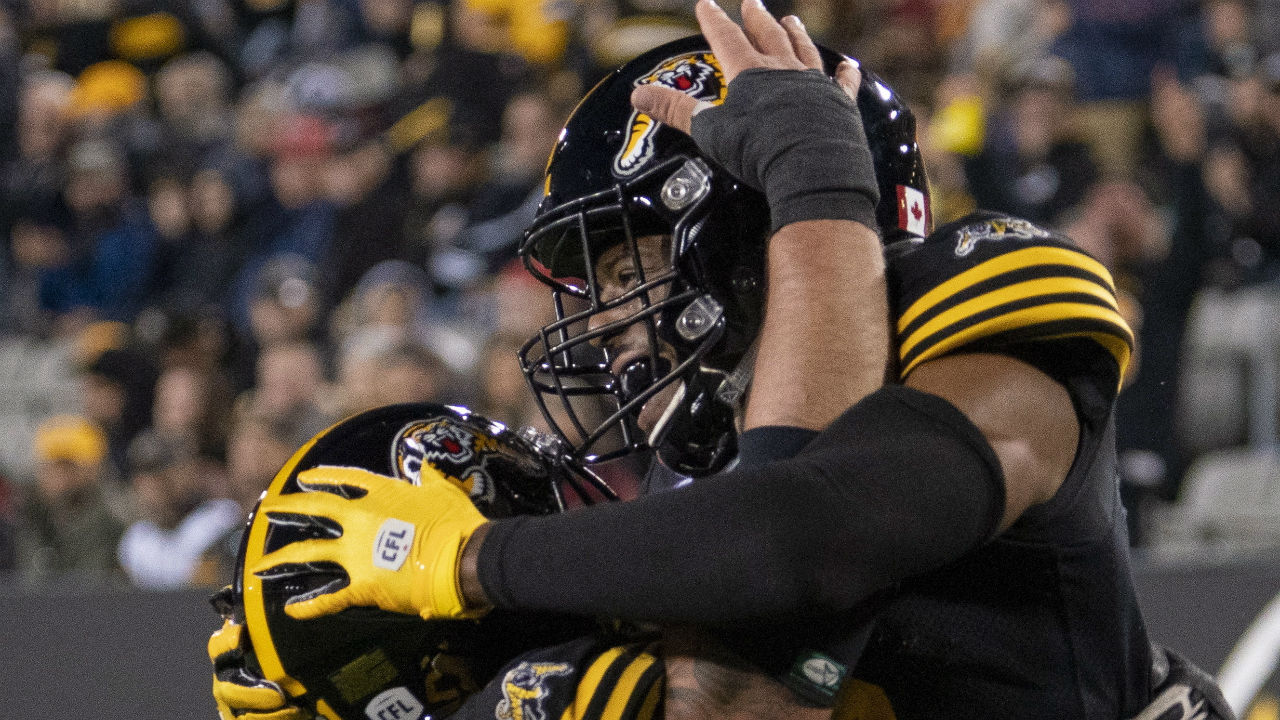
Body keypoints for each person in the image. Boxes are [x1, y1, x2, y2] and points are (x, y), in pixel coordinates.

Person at [243, 2, 1230, 718]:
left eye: (628, 267)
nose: (607, 322)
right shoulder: (703, 469)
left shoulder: (970, 291)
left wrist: (460, 562)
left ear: (733, 228)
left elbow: (797, 543)